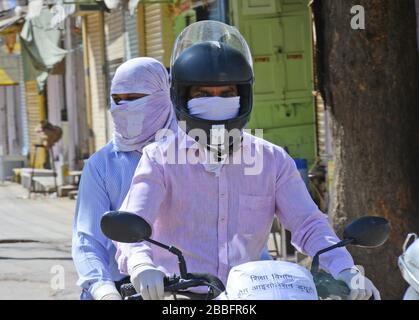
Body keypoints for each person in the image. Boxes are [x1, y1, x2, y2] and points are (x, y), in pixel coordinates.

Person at [115, 21, 380, 300]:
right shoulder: (159, 159)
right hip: (179, 297)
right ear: (182, 96)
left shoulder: (272, 160)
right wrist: (142, 266)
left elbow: (309, 224)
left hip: (253, 296)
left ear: (243, 96)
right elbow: (134, 225)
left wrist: (345, 269)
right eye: (203, 94)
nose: (215, 100)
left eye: (226, 93)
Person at [72, 57, 176, 300]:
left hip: (187, 285)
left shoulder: (191, 153)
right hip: (123, 288)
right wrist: (102, 289)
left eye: (134, 99)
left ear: (163, 97)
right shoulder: (102, 165)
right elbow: (87, 240)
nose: (123, 107)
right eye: (117, 100)